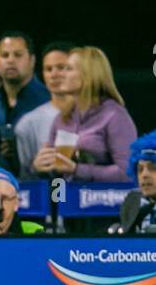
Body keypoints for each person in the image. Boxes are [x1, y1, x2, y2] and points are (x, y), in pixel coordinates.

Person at [32, 46, 137, 183]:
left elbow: (128, 172)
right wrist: (39, 168)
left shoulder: (114, 115)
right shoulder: (62, 118)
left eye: (68, 69)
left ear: (88, 75)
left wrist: (77, 169)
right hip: (66, 200)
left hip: (105, 200)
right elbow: (57, 178)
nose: (61, 74)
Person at [0, 31, 50, 167]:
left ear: (32, 60)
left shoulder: (50, 101)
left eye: (18, 55)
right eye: (4, 55)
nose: (10, 60)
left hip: (41, 184)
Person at [16, 41, 77, 179]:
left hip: (91, 195)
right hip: (52, 194)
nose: (54, 74)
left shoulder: (101, 115)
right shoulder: (28, 123)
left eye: (61, 67)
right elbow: (23, 182)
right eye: (48, 69)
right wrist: (34, 169)